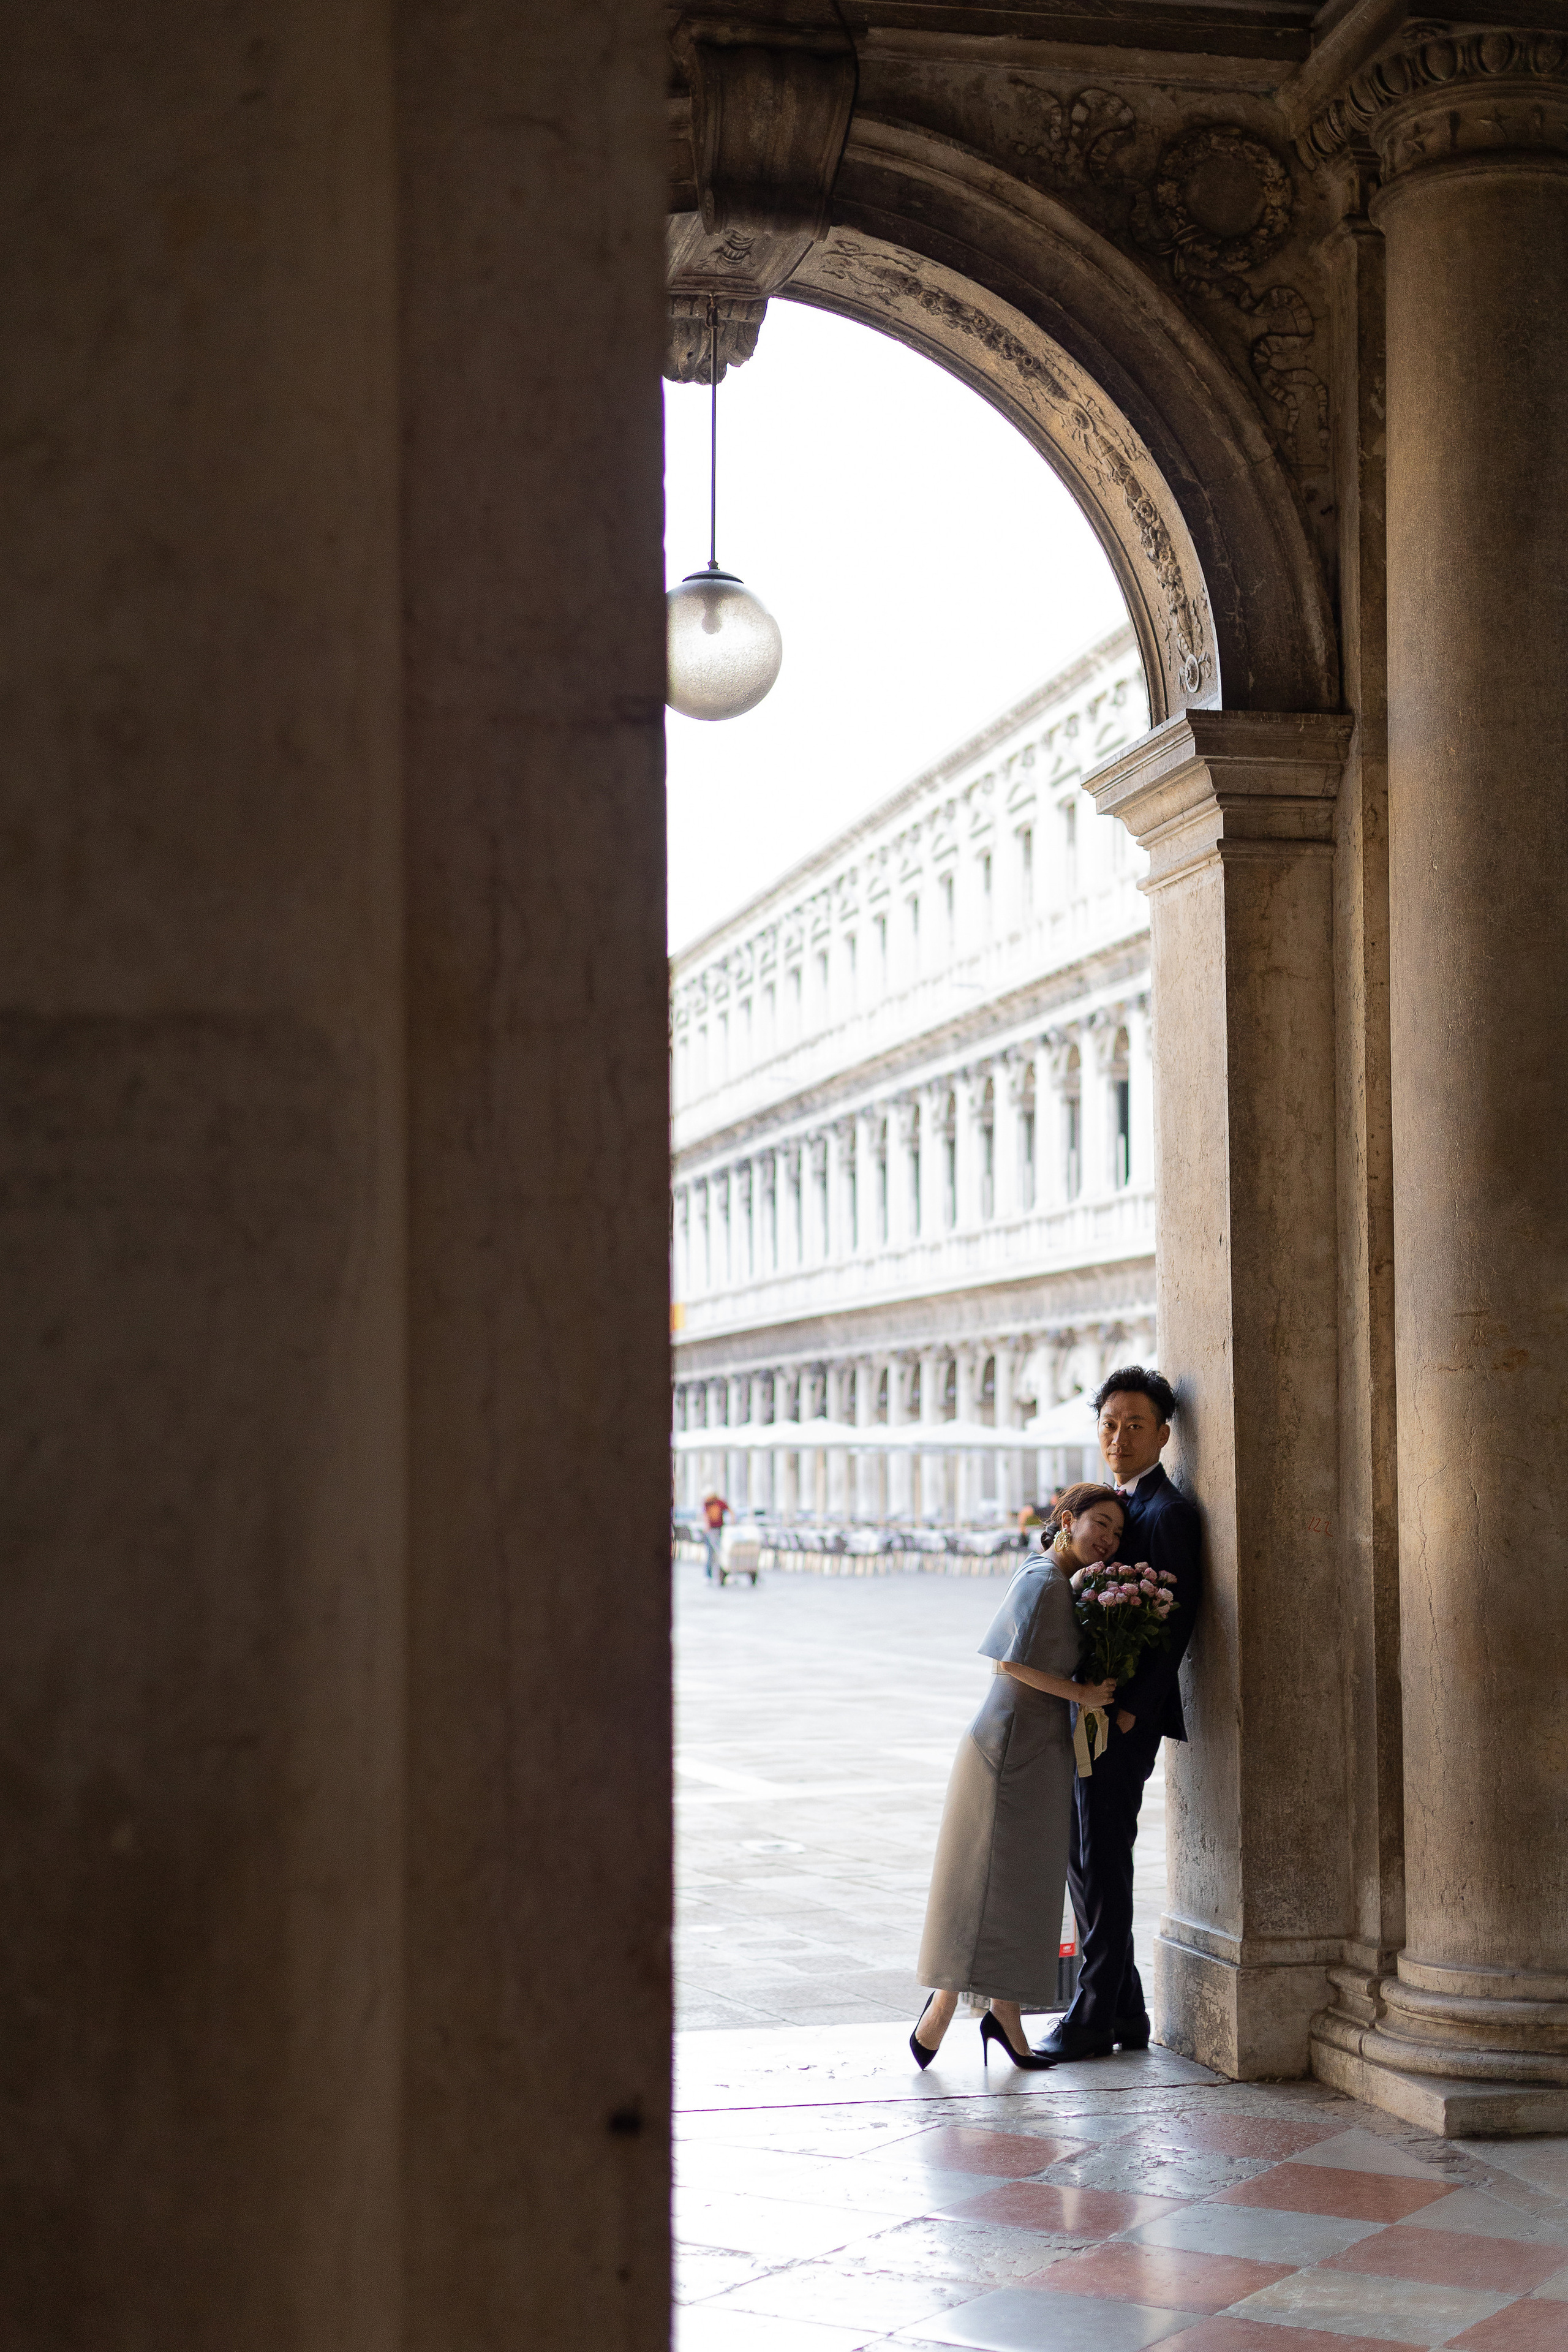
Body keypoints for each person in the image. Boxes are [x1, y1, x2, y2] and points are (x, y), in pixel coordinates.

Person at [910, 1485, 1123, 2072]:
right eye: (1098, 1524)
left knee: (1029, 1884)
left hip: (1040, 1748)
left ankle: (1004, 2013)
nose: (1106, 1540)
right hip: (1006, 1749)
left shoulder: (1066, 1581)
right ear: (1066, 1520)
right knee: (981, 1881)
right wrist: (1082, 1693)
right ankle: (944, 2005)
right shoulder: (1041, 1580)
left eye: (1116, 1532)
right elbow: (1008, 1661)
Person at [1034, 1366, 1201, 2062]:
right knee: (1084, 1858)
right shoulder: (1113, 1505)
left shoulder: (1169, 1513)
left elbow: (1177, 1624)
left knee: (1101, 1862)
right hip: (1086, 1714)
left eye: (1135, 1424)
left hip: (1121, 1722)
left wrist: (1130, 1713)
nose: (1119, 1436)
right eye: (1109, 1424)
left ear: (1163, 1432)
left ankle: (1091, 2017)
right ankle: (1127, 2012)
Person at [699, 1489, 729, 1581]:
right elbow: (705, 1516)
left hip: (719, 1530)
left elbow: (730, 1511)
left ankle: (722, 1573)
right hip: (711, 1531)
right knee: (711, 1553)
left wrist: (732, 1521)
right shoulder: (707, 1503)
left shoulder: (720, 1502)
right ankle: (709, 1575)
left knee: (720, 1552)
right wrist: (707, 1527)